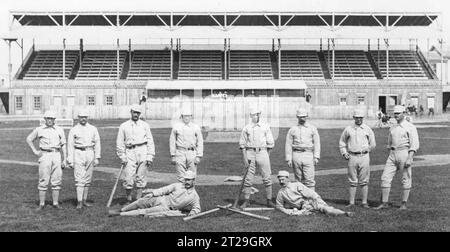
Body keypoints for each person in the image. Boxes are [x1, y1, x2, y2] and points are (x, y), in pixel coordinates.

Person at [375, 105, 419, 210]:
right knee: (385, 177)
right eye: (395, 113)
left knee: (406, 178)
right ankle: (384, 203)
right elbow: (389, 142)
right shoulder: (393, 127)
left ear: (403, 113)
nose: (396, 115)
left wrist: (410, 157)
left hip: (404, 153)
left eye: (398, 113)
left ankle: (403, 204)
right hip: (393, 154)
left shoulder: (410, 127)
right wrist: (390, 150)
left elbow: (414, 144)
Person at [108, 170, 200, 217]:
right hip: (161, 198)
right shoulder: (177, 185)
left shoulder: (194, 196)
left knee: (144, 212)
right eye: (186, 179)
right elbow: (164, 189)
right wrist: (152, 193)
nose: (186, 181)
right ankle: (122, 210)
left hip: (166, 208)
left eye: (189, 180)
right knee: (140, 201)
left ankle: (119, 215)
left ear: (194, 181)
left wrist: (193, 213)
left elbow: (197, 208)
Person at [26, 111, 67, 211]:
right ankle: (42, 204)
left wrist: (65, 159)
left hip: (56, 154)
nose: (50, 120)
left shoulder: (59, 129)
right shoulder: (39, 129)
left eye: (52, 118)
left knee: (56, 180)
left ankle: (55, 203)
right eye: (48, 118)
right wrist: (35, 151)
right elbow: (29, 139)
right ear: (45, 119)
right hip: (44, 155)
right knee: (43, 180)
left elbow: (63, 145)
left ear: (54, 120)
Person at [116, 104, 155, 203]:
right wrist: (122, 156)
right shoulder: (124, 126)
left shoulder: (145, 125)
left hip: (143, 151)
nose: (136, 114)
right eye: (134, 112)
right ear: (131, 112)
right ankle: (129, 199)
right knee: (128, 177)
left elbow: (150, 141)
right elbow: (120, 142)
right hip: (129, 151)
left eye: (138, 113)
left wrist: (150, 156)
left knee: (141, 177)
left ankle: (138, 200)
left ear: (140, 114)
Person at [238, 107, 275, 208]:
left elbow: (271, 143)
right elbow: (242, 145)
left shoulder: (265, 126)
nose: (256, 116)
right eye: (254, 115)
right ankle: (246, 200)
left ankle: (269, 200)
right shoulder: (246, 128)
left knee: (267, 177)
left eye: (258, 114)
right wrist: (245, 158)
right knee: (248, 178)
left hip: (262, 152)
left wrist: (266, 155)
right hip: (250, 152)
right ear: (251, 116)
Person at [339, 109, 376, 208]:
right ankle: (351, 202)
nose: (359, 119)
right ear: (354, 118)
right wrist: (344, 153)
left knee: (364, 180)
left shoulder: (367, 129)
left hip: (364, 156)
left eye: (360, 117)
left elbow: (372, 143)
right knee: (352, 180)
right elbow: (342, 142)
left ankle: (364, 202)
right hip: (352, 156)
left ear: (363, 118)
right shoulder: (348, 129)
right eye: (357, 117)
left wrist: (366, 149)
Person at [275, 171, 353, 217]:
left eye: (283, 179)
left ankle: (345, 213)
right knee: (303, 212)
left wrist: (318, 200)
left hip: (310, 201)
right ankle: (315, 211)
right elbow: (279, 206)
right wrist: (290, 212)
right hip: (303, 208)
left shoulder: (296, 185)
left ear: (288, 178)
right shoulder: (281, 193)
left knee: (327, 209)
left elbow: (310, 193)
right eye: (279, 180)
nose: (281, 182)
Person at [67, 109, 101, 210]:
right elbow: (70, 145)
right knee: (79, 179)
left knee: (87, 178)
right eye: (81, 117)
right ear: (78, 118)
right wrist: (70, 160)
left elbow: (97, 143)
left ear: (87, 118)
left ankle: (85, 200)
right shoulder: (74, 129)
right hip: (78, 153)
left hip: (90, 152)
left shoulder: (93, 129)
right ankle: (79, 201)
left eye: (85, 117)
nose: (83, 119)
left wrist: (97, 157)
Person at [285, 108, 320, 191]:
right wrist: (289, 158)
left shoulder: (312, 128)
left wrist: (316, 157)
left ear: (307, 116)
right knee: (298, 179)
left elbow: (317, 143)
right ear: (297, 117)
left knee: (309, 180)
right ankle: (301, 200)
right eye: (300, 117)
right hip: (296, 154)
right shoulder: (293, 129)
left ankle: (311, 200)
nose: (302, 118)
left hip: (308, 154)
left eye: (304, 116)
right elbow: (288, 144)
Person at [170, 106, 204, 182]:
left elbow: (200, 142)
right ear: (181, 116)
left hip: (191, 152)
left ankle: (191, 193)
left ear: (191, 116)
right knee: (180, 176)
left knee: (191, 175)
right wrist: (173, 155)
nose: (186, 118)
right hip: (180, 152)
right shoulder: (176, 127)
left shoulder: (196, 127)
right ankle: (181, 193)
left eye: (188, 116)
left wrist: (199, 156)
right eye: (184, 116)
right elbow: (172, 141)